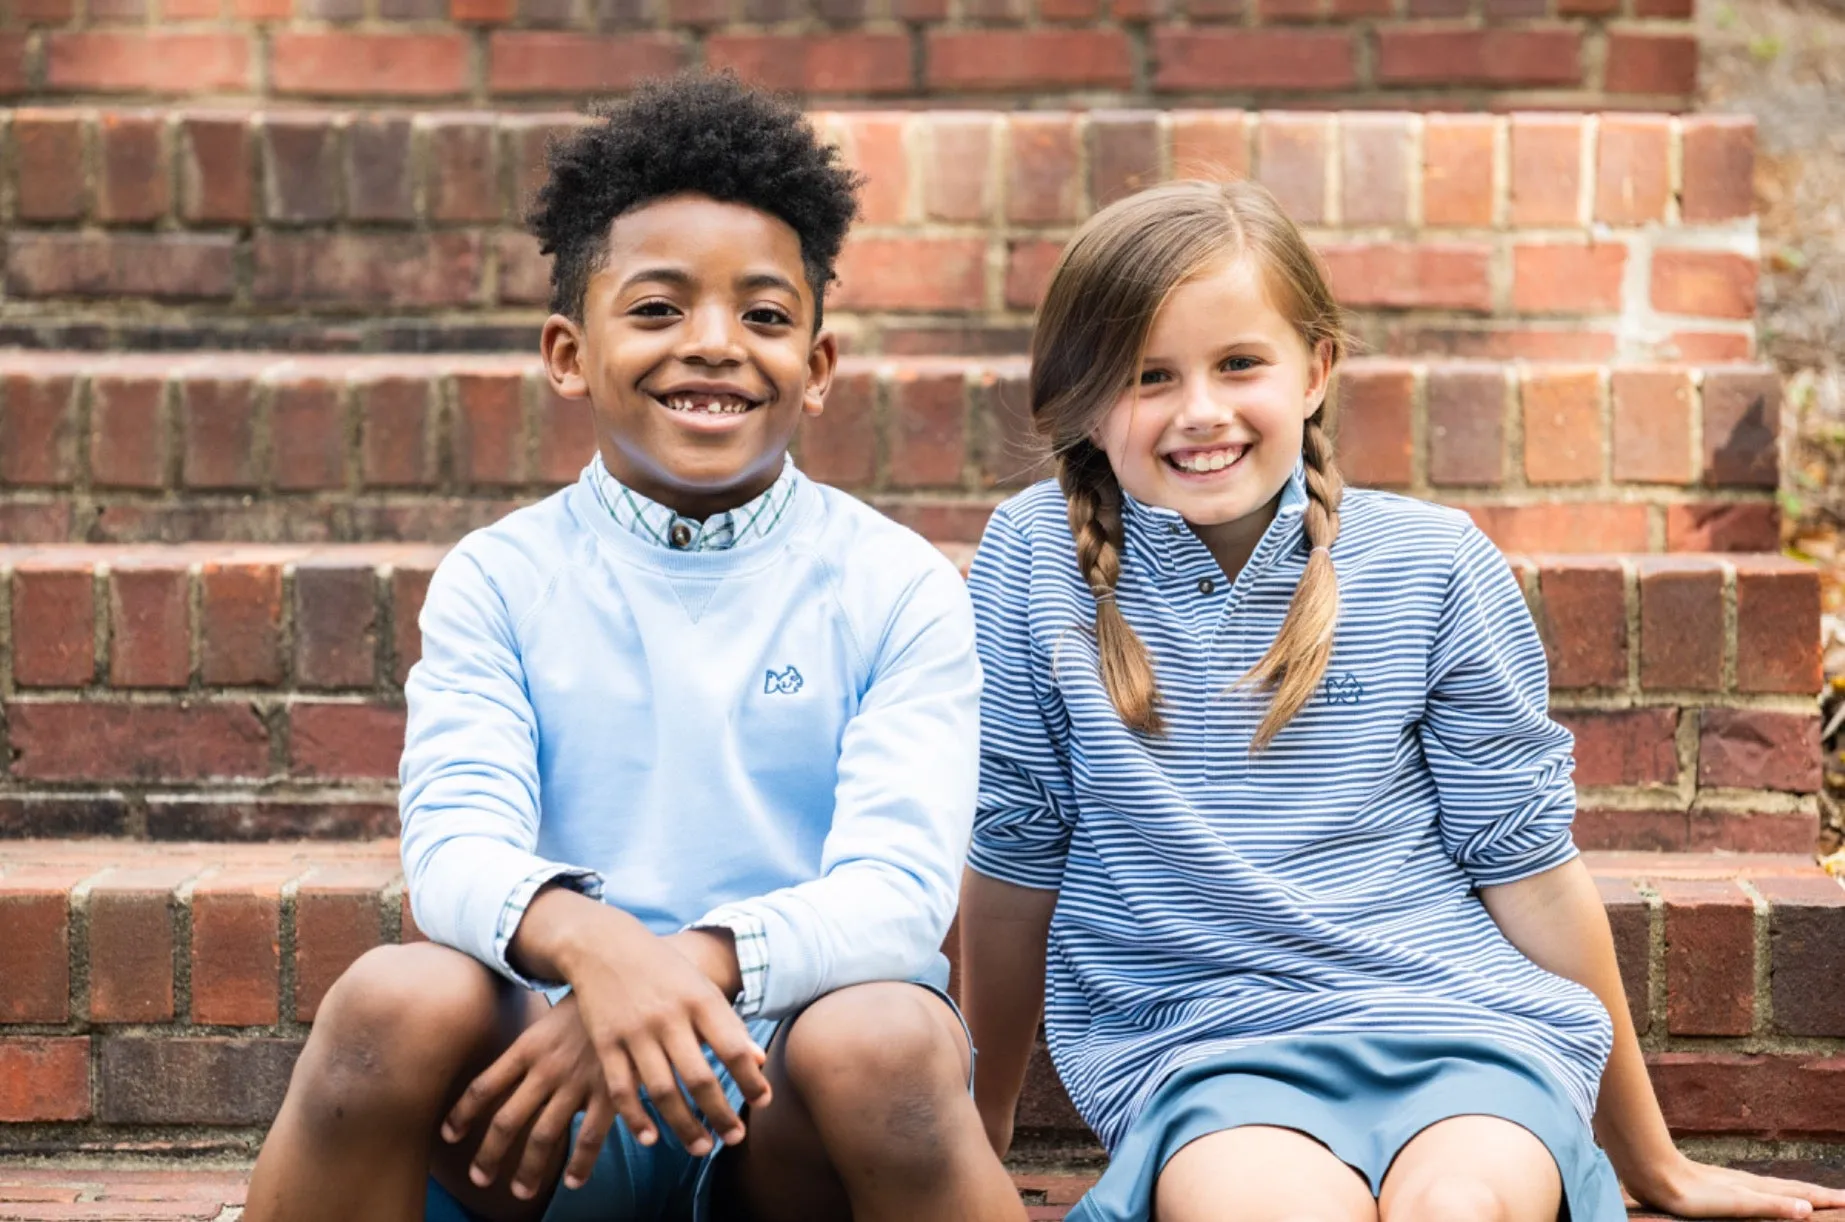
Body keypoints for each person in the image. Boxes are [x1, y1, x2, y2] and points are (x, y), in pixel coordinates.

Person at [956, 177, 1845, 1222]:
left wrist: (1655, 1159)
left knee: (1460, 1204)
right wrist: (980, 1125)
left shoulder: (1430, 564)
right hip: (1206, 1050)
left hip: (1461, 1027)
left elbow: (1524, 864)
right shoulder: (1033, 561)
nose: (1201, 409)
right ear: (1085, 404)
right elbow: (1014, 853)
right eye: (1149, 376)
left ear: (1316, 369)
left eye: (1240, 363)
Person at [243, 71, 1025, 1222]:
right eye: (658, 309)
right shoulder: (500, 577)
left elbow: (899, 896)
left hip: (787, 1099)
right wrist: (589, 950)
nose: (714, 346)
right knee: (392, 999)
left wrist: (675, 970)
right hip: (550, 1097)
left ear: (816, 368)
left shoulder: (894, 581)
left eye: (764, 316)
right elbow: (454, 848)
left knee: (891, 1032)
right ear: (568, 352)